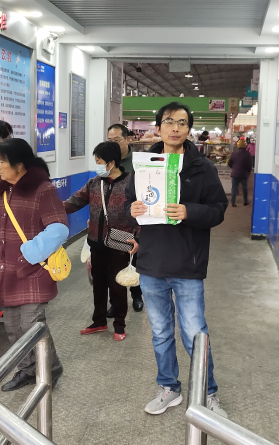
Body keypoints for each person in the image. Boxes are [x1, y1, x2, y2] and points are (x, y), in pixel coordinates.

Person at [125, 102, 228, 418]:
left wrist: (189, 211)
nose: (175, 128)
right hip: (151, 263)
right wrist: (132, 209)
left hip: (187, 264)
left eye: (182, 123)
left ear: (188, 129)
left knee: (195, 333)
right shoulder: (144, 166)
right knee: (160, 332)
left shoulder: (202, 168)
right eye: (169, 121)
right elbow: (131, 202)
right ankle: (169, 387)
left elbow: (218, 210)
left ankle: (207, 392)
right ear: (158, 128)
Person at [0, 138, 67, 392]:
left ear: (19, 165)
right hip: (5, 271)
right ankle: (28, 369)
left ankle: (50, 368)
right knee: (12, 327)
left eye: (2, 161)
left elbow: (58, 228)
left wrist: (30, 253)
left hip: (33, 270)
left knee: (31, 324)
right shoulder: (0, 190)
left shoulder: (43, 190)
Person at [65, 141, 136, 340]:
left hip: (120, 243)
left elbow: (140, 212)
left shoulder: (131, 183)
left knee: (117, 285)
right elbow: (74, 202)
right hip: (96, 242)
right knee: (98, 284)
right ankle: (99, 321)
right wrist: (51, 208)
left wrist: (138, 236)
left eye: (99, 161)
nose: (96, 165)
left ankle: (119, 325)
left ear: (111, 163)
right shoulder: (94, 183)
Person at [107, 124, 145, 314]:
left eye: (117, 140)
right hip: (113, 223)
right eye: (109, 140)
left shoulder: (138, 162)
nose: (113, 144)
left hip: (133, 221)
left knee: (134, 259)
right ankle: (115, 303)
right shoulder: (107, 162)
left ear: (127, 139)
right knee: (114, 264)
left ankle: (137, 295)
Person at [228, 139, 253, 207]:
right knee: (244, 188)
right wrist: (248, 172)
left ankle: (233, 202)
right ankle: (245, 201)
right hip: (244, 174)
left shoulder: (234, 153)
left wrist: (234, 168)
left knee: (234, 188)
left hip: (235, 174)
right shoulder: (247, 154)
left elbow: (229, 163)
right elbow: (250, 165)